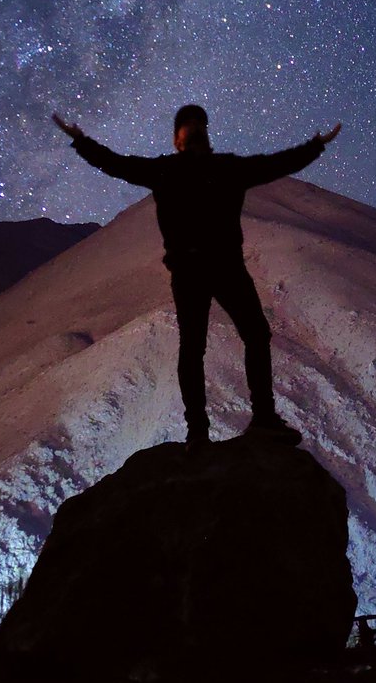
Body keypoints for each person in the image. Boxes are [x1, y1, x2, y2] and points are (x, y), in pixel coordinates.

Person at [52, 105, 341, 454]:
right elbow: (273, 164)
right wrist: (314, 146)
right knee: (237, 338)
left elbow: (117, 164)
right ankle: (247, 422)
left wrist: (81, 142)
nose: (194, 134)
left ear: (178, 139)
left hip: (196, 270)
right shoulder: (219, 168)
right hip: (219, 267)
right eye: (194, 128)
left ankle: (205, 433)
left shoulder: (174, 169)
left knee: (202, 347)